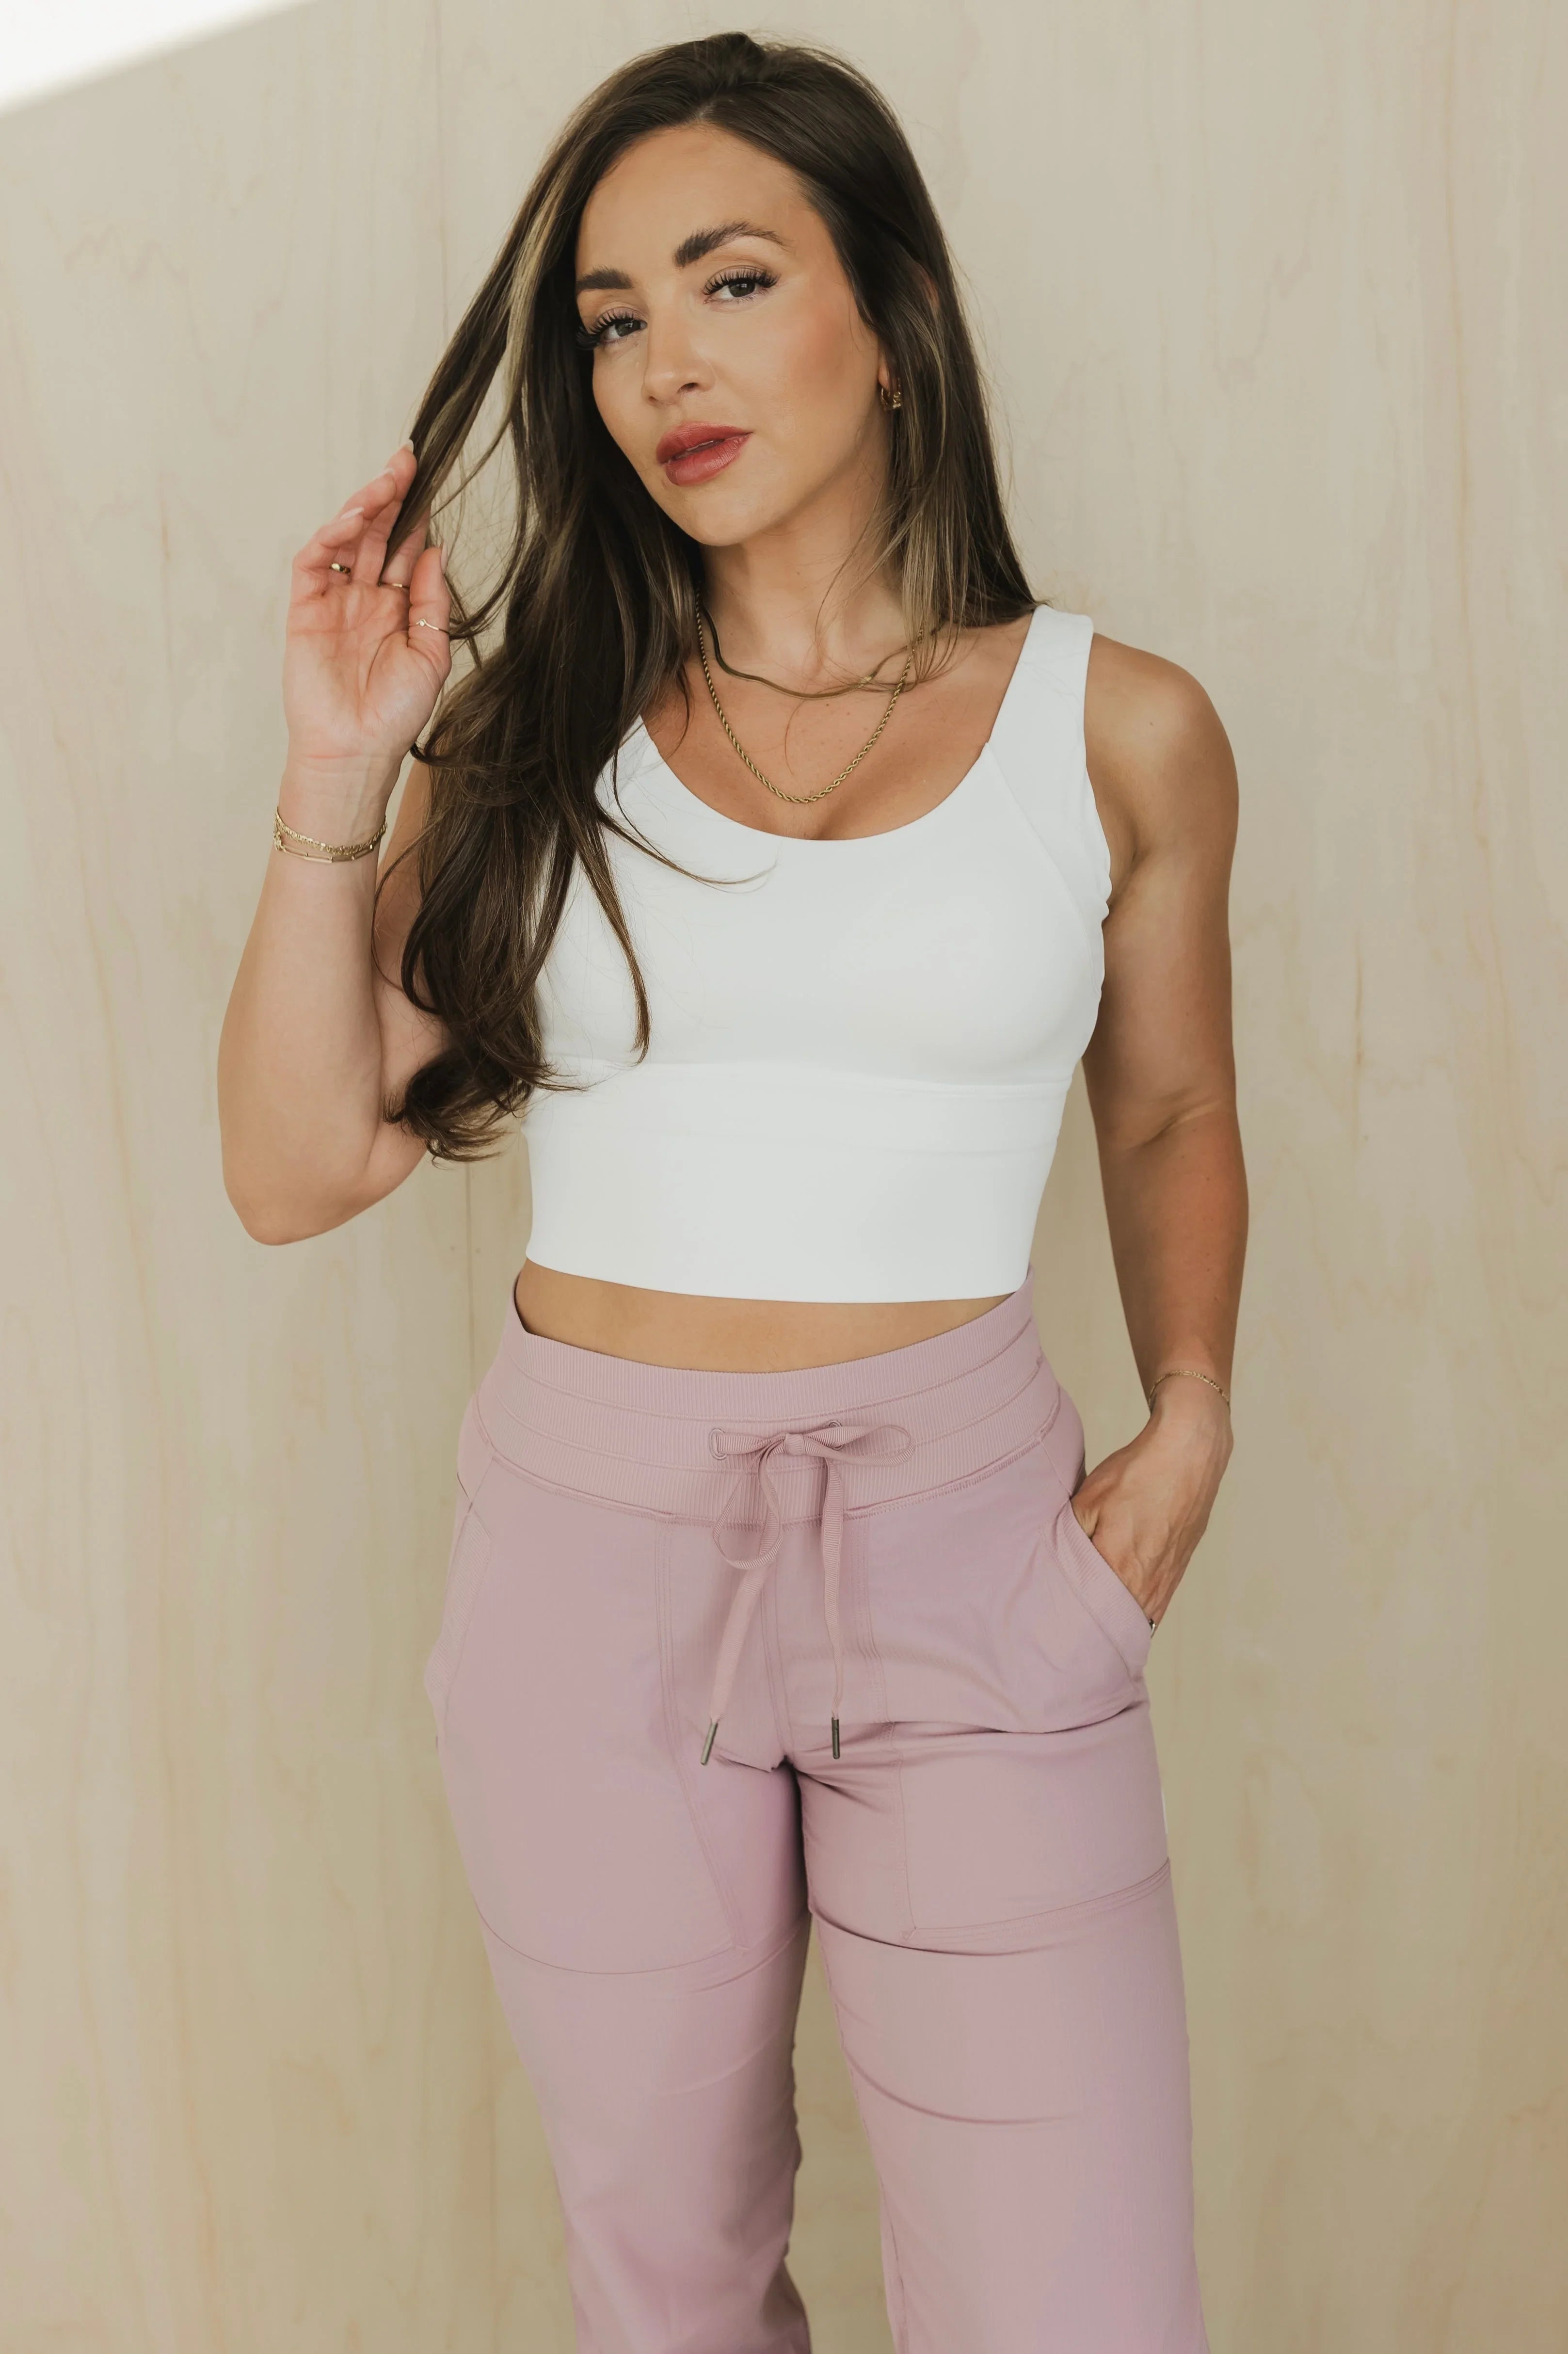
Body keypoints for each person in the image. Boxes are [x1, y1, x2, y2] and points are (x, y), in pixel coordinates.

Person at [218, 31, 1244, 2353]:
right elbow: (290, 1167)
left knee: (1075, 2305)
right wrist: (335, 771)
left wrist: (1187, 1411)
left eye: (729, 280)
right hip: (588, 1562)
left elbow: (1168, 1107)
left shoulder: (1116, 726)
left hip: (977, 1549)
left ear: (891, 316)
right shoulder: (534, 738)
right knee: (665, 2291)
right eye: (609, 319)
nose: (659, 362)